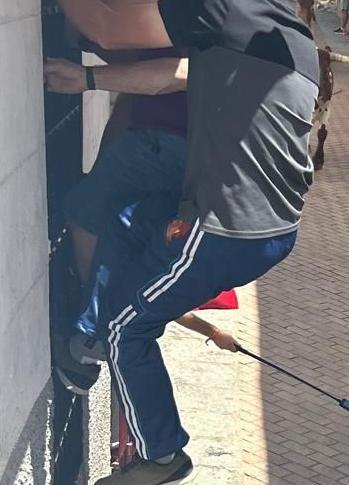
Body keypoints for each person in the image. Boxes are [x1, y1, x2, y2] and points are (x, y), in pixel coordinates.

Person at [55, 0, 318, 485]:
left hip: (225, 227)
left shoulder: (227, 11)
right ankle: (89, 339)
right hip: (272, 226)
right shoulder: (287, 36)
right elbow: (171, 74)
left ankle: (161, 454)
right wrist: (86, 82)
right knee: (130, 226)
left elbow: (107, 25)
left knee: (126, 328)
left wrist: (86, 71)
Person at [43, 54, 239, 379]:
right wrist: (213, 332)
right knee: (106, 222)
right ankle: (93, 328)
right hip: (190, 153)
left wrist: (89, 77)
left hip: (164, 139)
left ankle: (93, 324)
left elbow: (175, 75)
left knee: (87, 211)